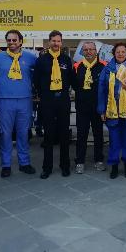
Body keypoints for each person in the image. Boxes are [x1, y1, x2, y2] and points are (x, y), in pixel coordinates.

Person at [0, 30, 37, 178]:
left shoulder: (30, 57)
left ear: (21, 41)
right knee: (5, 134)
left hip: (25, 100)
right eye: (9, 40)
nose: (11, 43)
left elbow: (40, 71)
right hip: (4, 100)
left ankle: (24, 163)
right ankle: (6, 164)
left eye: (14, 40)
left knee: (23, 133)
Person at [97, 42, 126, 179]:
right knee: (114, 141)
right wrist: (101, 110)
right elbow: (101, 90)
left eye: (123, 51)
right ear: (114, 53)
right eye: (118, 51)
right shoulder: (107, 69)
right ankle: (114, 166)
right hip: (112, 111)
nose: (120, 54)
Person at [35, 30, 74, 179]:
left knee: (64, 135)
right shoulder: (42, 60)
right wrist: (44, 93)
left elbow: (70, 78)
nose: (56, 43)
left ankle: (65, 166)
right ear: (49, 42)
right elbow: (36, 80)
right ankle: (47, 167)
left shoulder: (66, 59)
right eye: (53, 41)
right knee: (48, 135)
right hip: (48, 101)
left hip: (63, 100)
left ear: (61, 43)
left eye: (58, 41)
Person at [73, 41, 106, 174]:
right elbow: (74, 85)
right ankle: (80, 161)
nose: (88, 52)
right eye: (85, 50)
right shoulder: (76, 66)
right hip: (82, 107)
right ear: (82, 52)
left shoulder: (103, 65)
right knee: (81, 135)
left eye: (91, 49)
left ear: (95, 51)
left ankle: (99, 160)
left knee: (99, 135)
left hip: (98, 107)